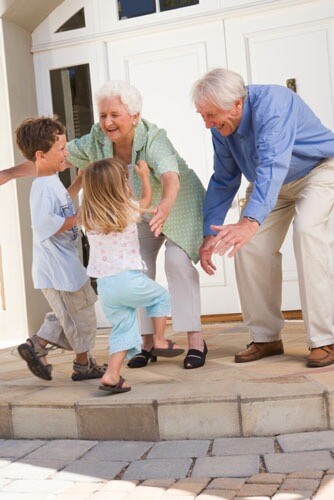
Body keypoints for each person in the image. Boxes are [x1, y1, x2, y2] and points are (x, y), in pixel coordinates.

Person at [1, 80, 208, 369]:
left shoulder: (153, 137)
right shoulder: (97, 140)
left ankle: (195, 341)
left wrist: (165, 206)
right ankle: (146, 342)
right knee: (137, 269)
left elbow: (170, 175)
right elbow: (51, 158)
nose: (107, 122)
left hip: (177, 206)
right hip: (137, 212)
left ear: (134, 116)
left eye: (115, 115)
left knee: (177, 262)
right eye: (103, 115)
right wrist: (9, 173)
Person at [192, 67, 334, 367]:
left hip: (317, 170)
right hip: (271, 184)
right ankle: (266, 337)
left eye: (211, 114)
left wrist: (248, 222)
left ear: (237, 104)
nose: (207, 124)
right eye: (202, 115)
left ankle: (326, 339)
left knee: (307, 231)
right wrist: (210, 233)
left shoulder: (274, 103)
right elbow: (224, 178)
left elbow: (272, 163)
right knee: (248, 247)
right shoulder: (222, 127)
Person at [15, 117, 106, 381]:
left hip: (67, 266)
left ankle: (40, 346)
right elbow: (47, 225)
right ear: (41, 155)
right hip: (58, 270)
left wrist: (78, 183)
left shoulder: (51, 180)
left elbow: (59, 206)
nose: (66, 154)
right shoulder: (42, 187)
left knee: (77, 312)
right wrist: (82, 215)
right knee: (80, 317)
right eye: (61, 149)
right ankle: (81, 363)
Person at [80, 157, 177, 394]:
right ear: (119, 186)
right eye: (124, 181)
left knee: (123, 329)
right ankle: (160, 340)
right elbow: (145, 199)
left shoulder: (88, 217)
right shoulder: (126, 209)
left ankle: (112, 375)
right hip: (127, 279)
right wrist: (144, 176)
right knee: (160, 297)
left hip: (105, 287)